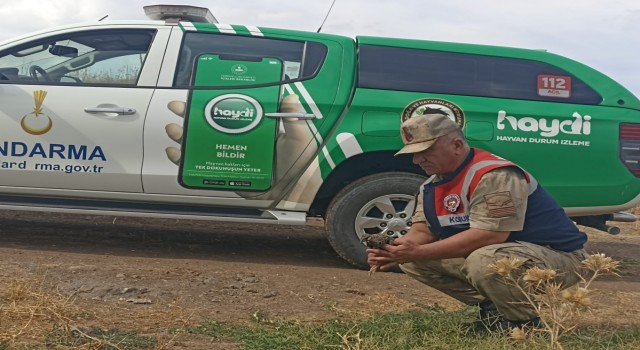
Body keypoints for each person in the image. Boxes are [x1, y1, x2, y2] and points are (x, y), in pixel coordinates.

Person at [367, 113, 588, 332]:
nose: (417, 160)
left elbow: (491, 235)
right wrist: (396, 250)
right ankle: (496, 311)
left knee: (484, 261)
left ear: (456, 144)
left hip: (560, 258)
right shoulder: (430, 186)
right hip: (506, 255)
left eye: (425, 151)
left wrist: (417, 251)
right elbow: (422, 231)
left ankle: (524, 323)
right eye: (414, 154)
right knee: (412, 260)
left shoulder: (495, 175)